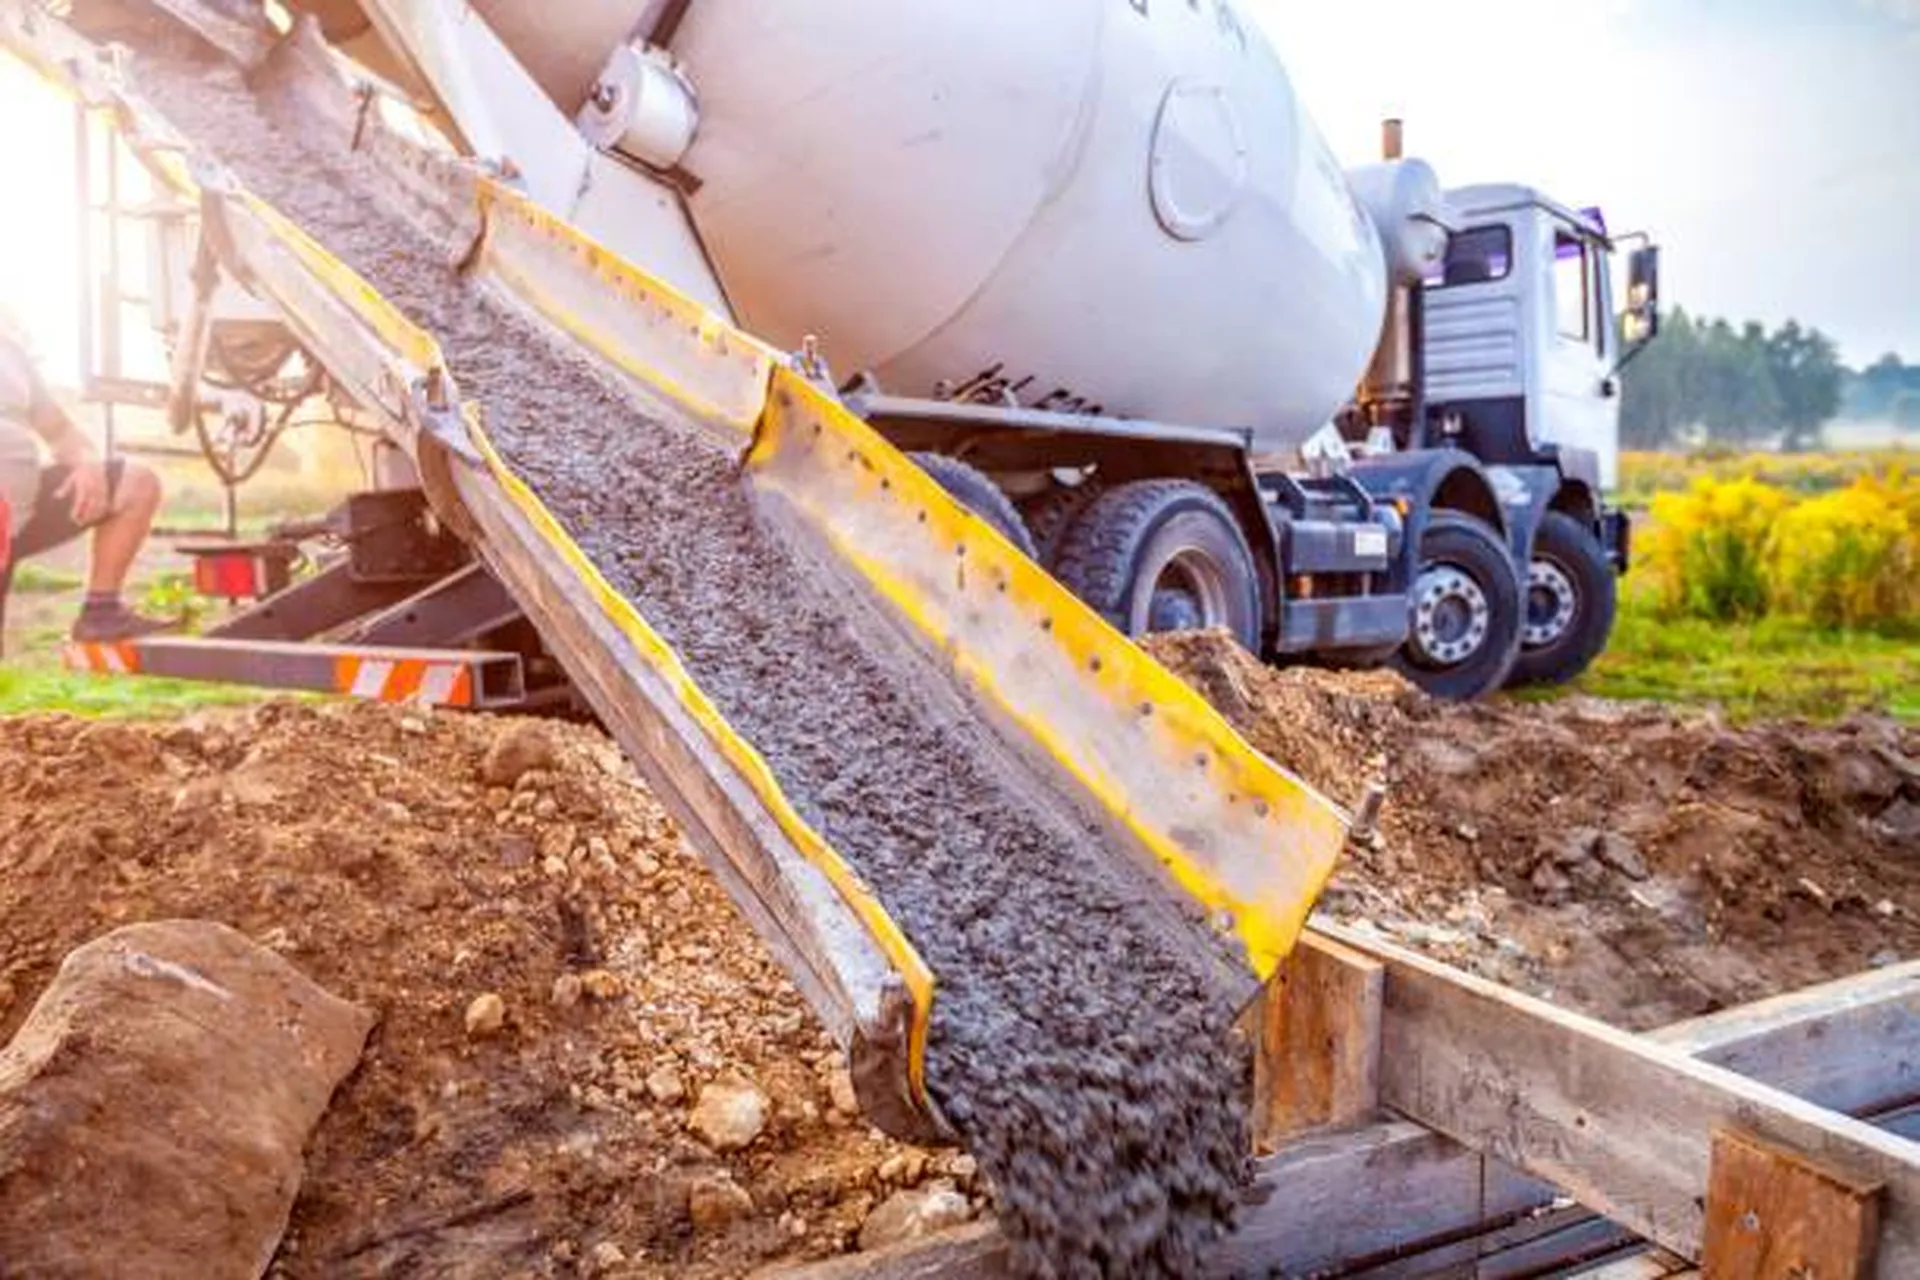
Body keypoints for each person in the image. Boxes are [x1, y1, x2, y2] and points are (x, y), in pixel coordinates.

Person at [0, 318, 173, 648]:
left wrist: (87, 464)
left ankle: (100, 613)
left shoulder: (10, 352)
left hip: (18, 514)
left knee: (135, 483)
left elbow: (62, 432)